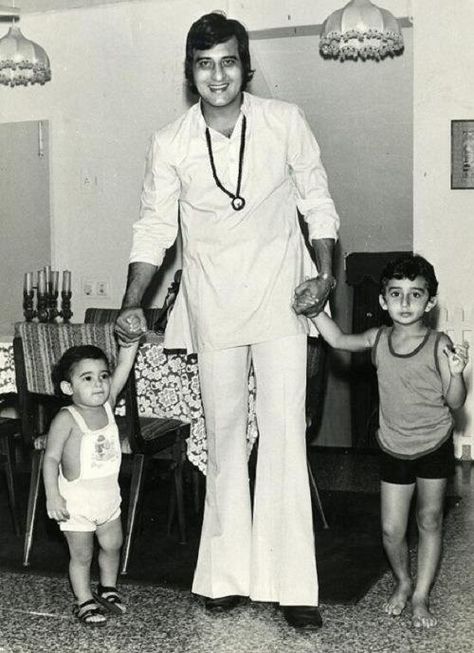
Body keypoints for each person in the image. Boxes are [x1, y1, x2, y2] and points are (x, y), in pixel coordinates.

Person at [115, 11, 339, 630]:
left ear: (247, 66)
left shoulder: (285, 121)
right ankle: (225, 576)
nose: (218, 75)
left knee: (285, 433)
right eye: (205, 64)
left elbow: (317, 200)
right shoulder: (171, 141)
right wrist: (134, 299)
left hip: (281, 299)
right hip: (212, 303)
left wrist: (323, 275)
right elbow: (154, 229)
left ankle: (294, 585)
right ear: (191, 73)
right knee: (223, 437)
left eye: (229, 61)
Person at [299, 254, 469, 629]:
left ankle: (422, 595)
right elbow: (340, 339)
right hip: (393, 445)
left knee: (429, 519)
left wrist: (457, 374)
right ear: (383, 301)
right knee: (392, 530)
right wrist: (314, 313)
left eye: (414, 295)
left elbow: (455, 402)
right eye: (396, 294)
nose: (405, 304)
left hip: (433, 442)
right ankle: (403, 581)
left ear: (430, 302)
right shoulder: (378, 338)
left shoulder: (439, 343)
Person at [42, 341, 139, 626]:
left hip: (109, 497)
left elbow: (123, 366)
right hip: (77, 503)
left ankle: (107, 588)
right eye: (87, 378)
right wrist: (52, 495)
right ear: (68, 388)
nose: (98, 384)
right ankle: (83, 600)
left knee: (113, 544)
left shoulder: (107, 407)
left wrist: (130, 345)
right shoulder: (66, 418)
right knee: (81, 555)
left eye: (103, 376)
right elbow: (50, 459)